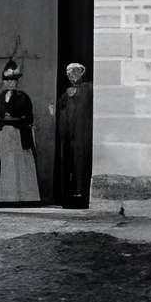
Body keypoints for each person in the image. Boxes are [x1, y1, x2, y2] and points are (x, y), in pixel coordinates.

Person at [0, 60, 41, 206]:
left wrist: (15, 121)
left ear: (17, 82)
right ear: (4, 81)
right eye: (8, 80)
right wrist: (0, 126)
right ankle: (7, 197)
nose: (11, 83)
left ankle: (25, 197)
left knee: (20, 163)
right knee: (6, 164)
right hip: (4, 135)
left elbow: (28, 117)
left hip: (19, 135)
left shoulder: (23, 97)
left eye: (13, 81)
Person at [54, 60, 92, 209]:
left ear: (81, 73)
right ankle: (69, 198)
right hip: (69, 137)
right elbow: (61, 111)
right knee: (69, 164)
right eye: (69, 74)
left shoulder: (88, 88)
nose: (71, 76)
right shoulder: (66, 93)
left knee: (81, 164)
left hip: (83, 135)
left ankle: (82, 197)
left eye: (75, 72)